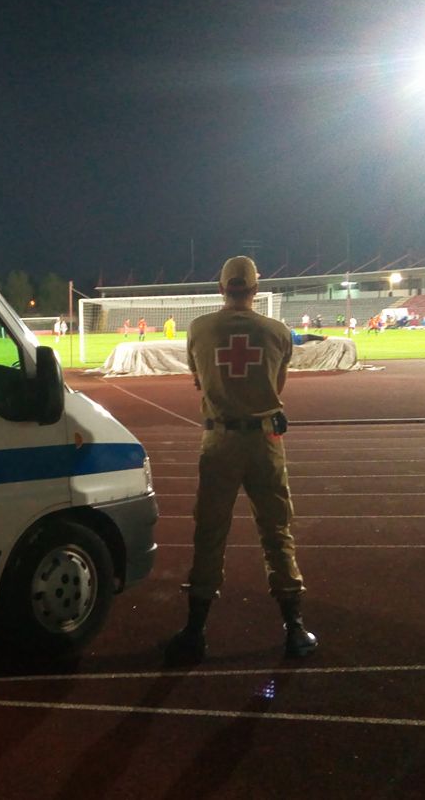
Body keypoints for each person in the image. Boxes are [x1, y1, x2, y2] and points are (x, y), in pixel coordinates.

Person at [166, 255, 317, 666]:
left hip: (219, 440)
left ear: (221, 288)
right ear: (255, 289)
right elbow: (277, 386)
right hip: (265, 440)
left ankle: (195, 632)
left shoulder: (199, 328)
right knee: (276, 530)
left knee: (209, 532)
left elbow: (199, 380)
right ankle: (295, 628)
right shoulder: (277, 331)